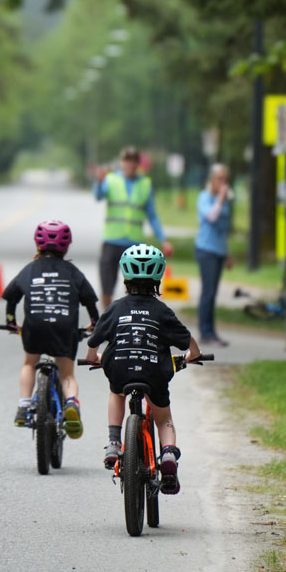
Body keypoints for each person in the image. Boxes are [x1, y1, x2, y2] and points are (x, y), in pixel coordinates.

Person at [85, 244, 201, 494]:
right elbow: (186, 338)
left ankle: (115, 442)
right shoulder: (162, 310)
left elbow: (94, 340)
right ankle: (168, 454)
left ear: (125, 277)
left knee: (116, 392)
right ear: (158, 277)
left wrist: (92, 357)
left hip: (119, 367)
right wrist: (194, 354)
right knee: (164, 417)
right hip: (154, 371)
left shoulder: (115, 308)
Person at [2, 219, 100, 437]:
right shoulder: (73, 272)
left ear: (37, 244)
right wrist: (94, 324)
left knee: (29, 363)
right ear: (66, 246)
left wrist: (11, 322)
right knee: (67, 375)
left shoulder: (30, 270)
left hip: (34, 326)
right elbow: (90, 302)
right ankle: (72, 403)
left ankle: (24, 405)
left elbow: (11, 298)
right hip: (65, 328)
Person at [93, 145, 173, 308]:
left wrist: (163, 240)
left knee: (137, 287)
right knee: (106, 285)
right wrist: (99, 182)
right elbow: (99, 195)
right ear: (122, 162)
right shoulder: (111, 179)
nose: (130, 164)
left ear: (138, 163)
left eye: (133, 161)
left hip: (134, 244)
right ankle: (107, 318)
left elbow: (152, 215)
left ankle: (132, 319)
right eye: (127, 160)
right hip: (112, 240)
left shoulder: (145, 184)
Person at [194, 163, 234, 346]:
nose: (223, 182)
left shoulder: (224, 200)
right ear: (212, 179)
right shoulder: (205, 197)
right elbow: (211, 217)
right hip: (206, 249)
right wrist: (219, 199)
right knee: (208, 292)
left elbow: (223, 229)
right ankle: (205, 332)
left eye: (225, 179)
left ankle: (212, 331)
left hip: (219, 250)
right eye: (219, 178)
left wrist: (228, 253)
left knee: (213, 292)